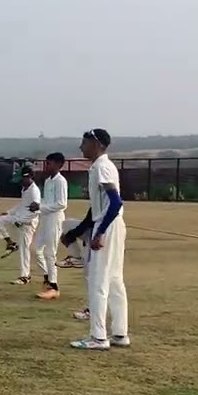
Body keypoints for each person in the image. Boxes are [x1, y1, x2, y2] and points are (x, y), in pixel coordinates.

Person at [65, 128, 130, 350]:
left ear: (96, 143)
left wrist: (100, 232)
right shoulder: (101, 167)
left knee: (98, 281)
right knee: (113, 281)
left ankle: (98, 337)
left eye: (84, 142)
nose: (81, 147)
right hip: (112, 225)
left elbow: (116, 202)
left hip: (108, 227)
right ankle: (120, 334)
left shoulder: (102, 167)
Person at [31, 153, 69, 300]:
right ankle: (47, 278)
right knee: (34, 249)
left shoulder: (61, 181)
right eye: (46, 163)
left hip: (55, 219)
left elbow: (61, 203)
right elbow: (47, 200)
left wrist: (41, 206)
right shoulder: (48, 181)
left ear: (59, 165)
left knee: (50, 253)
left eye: (50, 163)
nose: (47, 166)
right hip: (45, 218)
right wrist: (37, 204)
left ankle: (54, 287)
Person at [0, 165, 41, 285]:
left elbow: (36, 211)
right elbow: (22, 205)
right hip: (17, 218)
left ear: (30, 176)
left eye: (22, 179)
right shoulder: (25, 189)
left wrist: (22, 220)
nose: (20, 182)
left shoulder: (34, 191)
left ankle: (25, 276)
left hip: (27, 223)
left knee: (24, 250)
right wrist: (9, 212)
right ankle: (11, 243)